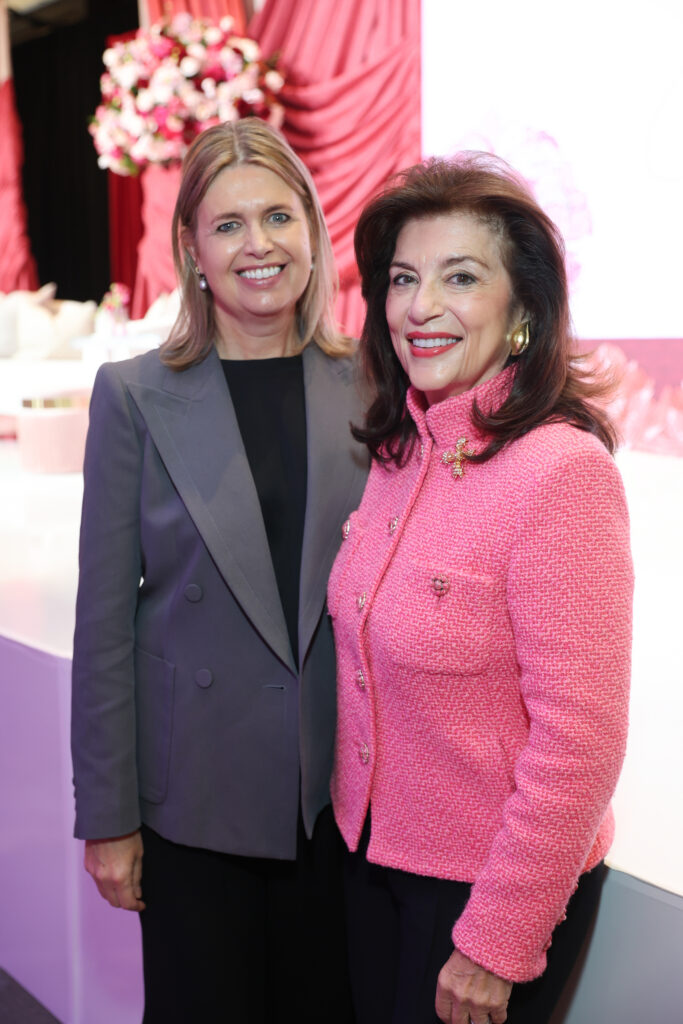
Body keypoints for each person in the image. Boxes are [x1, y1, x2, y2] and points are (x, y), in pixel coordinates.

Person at [71, 118, 367, 1023]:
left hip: (335, 800)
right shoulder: (135, 395)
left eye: (277, 217)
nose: (257, 245)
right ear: (192, 250)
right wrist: (108, 817)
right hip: (193, 804)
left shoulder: (370, 385)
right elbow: (103, 627)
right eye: (228, 225)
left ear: (311, 232)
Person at [327, 154, 633, 1024]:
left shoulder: (560, 472)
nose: (419, 307)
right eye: (402, 279)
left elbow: (580, 739)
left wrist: (497, 938)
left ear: (522, 309)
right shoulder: (401, 450)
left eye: (459, 277)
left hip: (480, 895)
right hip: (372, 863)